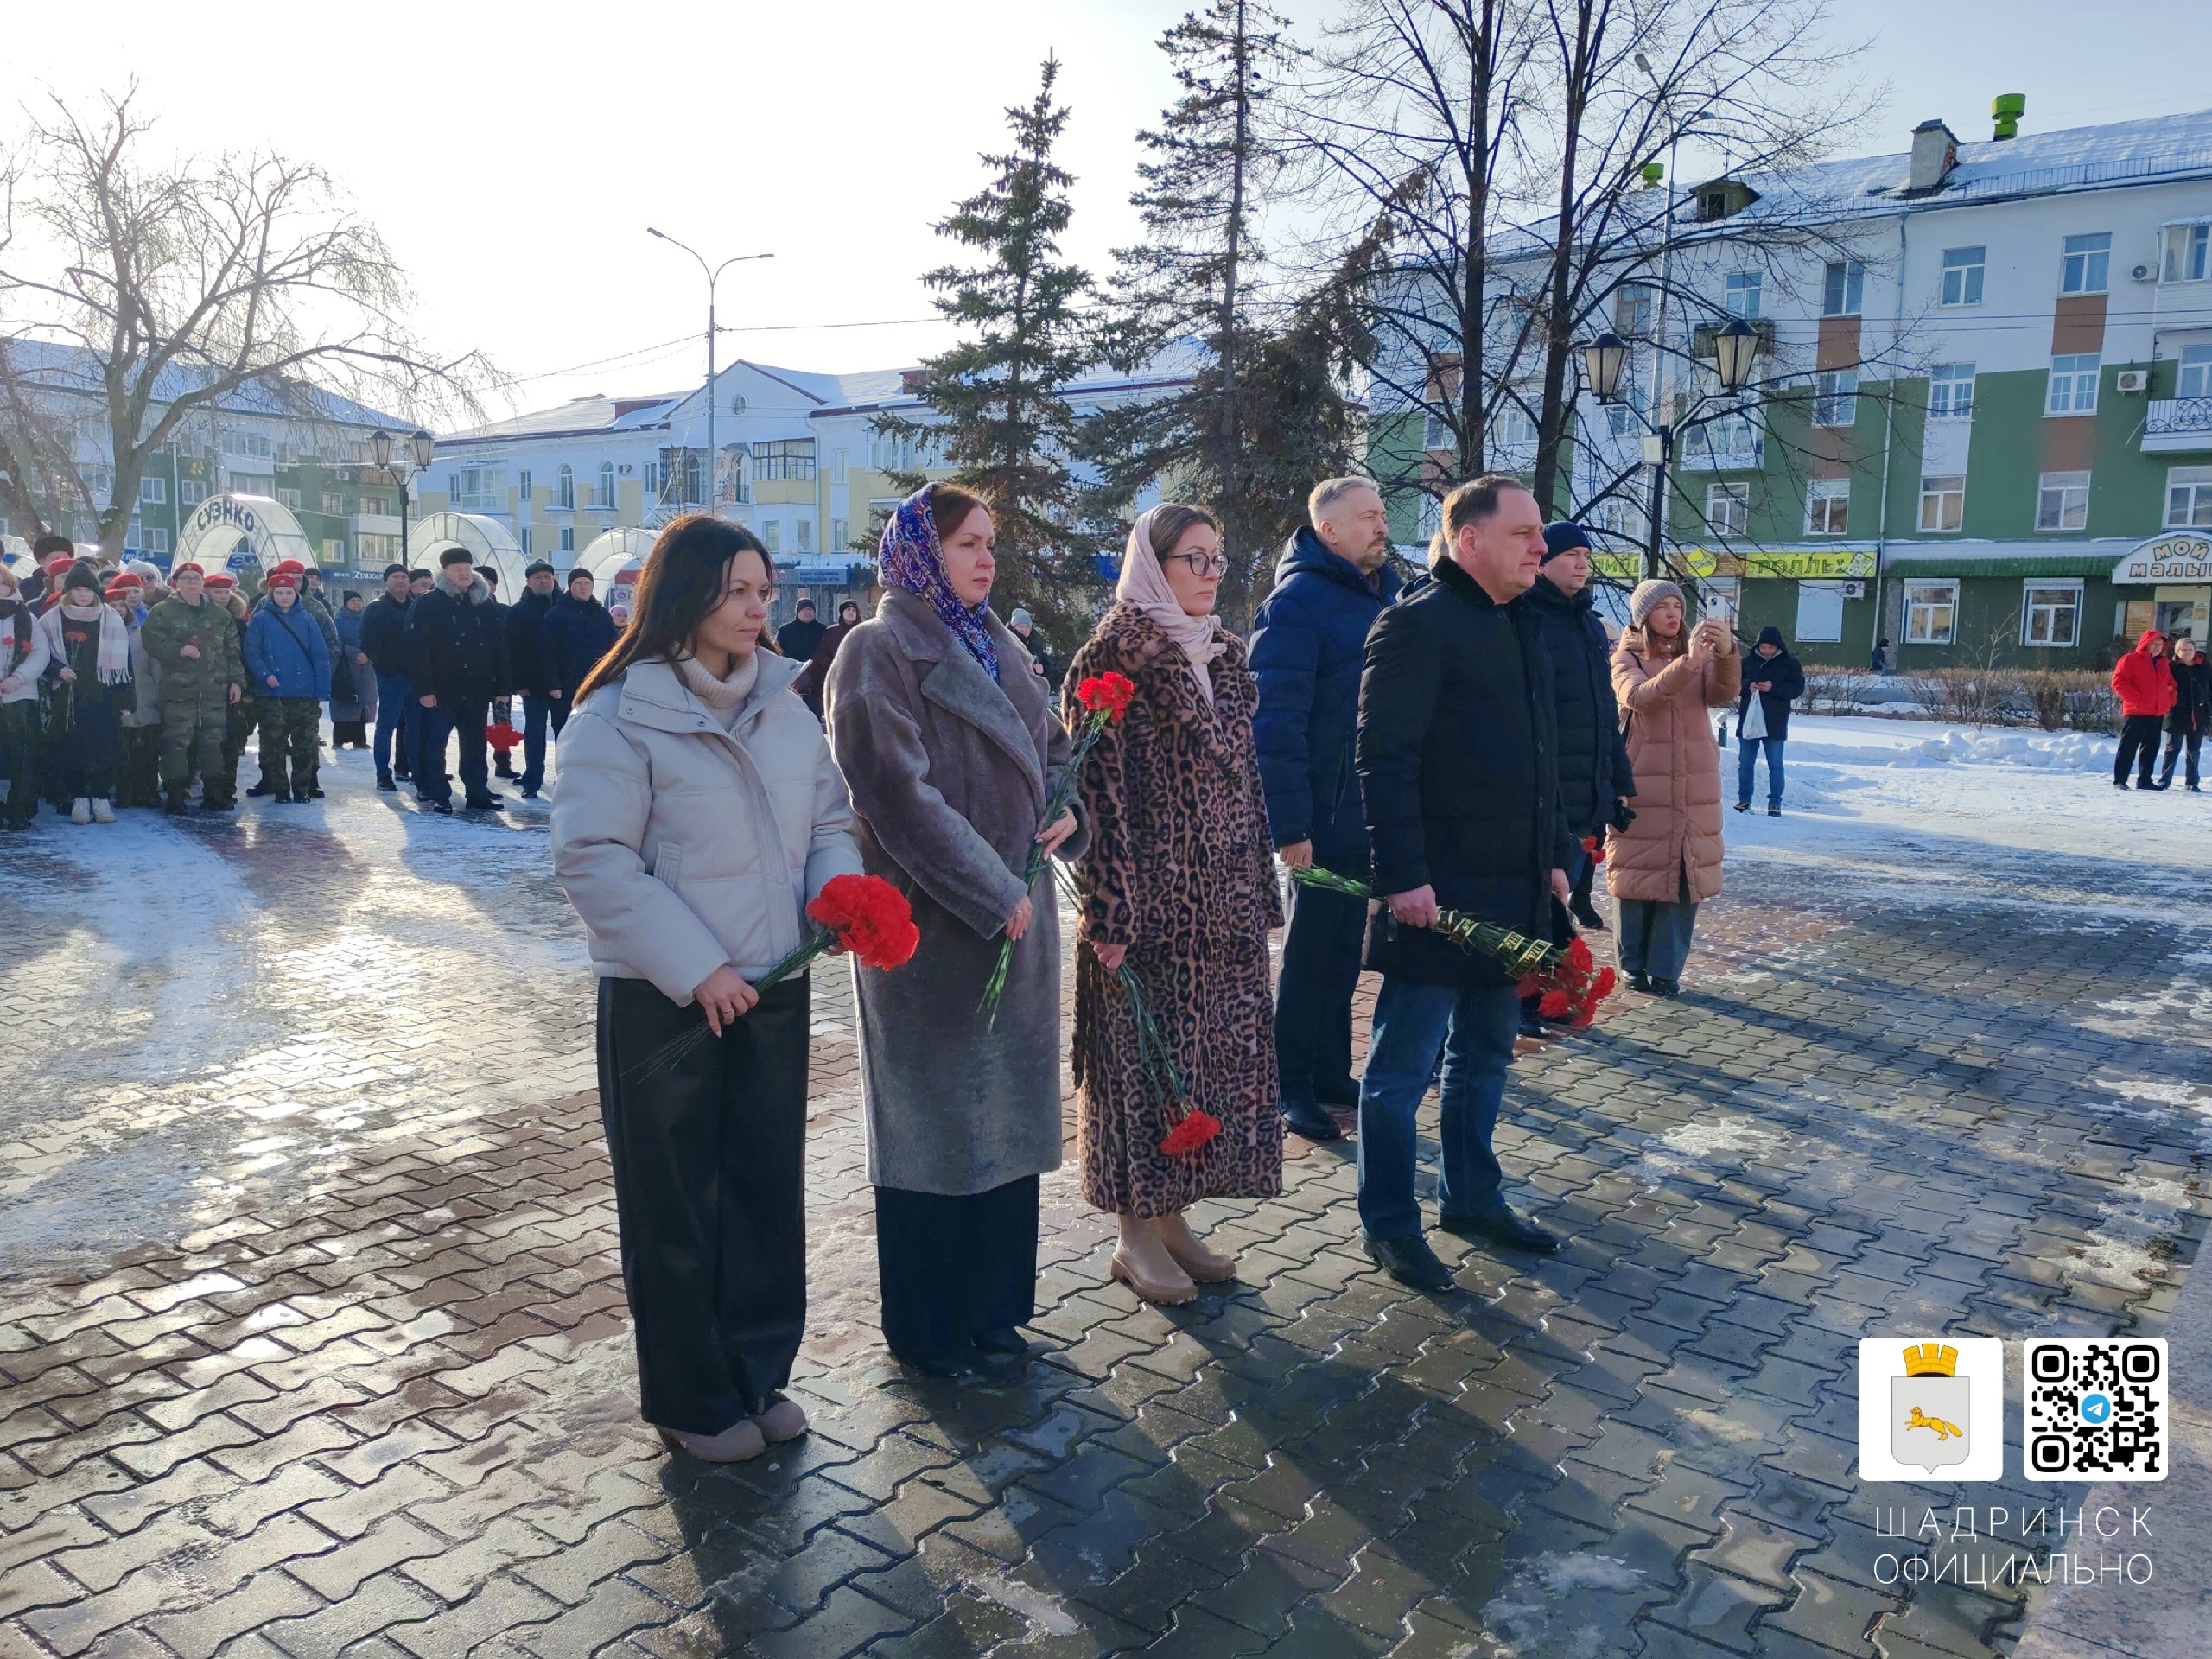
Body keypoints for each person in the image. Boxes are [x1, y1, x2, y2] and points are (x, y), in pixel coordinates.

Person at [551, 516, 861, 1465]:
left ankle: (756, 1375)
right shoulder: (616, 715)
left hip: (770, 982)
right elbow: (593, 860)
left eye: (763, 589)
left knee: (764, 1192)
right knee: (676, 1203)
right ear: (682, 596)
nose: (758, 606)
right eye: (737, 590)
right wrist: (699, 969)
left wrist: (831, 898)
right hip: (666, 998)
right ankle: (691, 1397)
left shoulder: (785, 702)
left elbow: (829, 822)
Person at [826, 485, 1086, 1376]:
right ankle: (928, 1330)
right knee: (934, 1134)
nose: (984, 559)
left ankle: (995, 1311)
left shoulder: (1000, 643)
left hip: (1019, 926)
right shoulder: (876, 649)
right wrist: (989, 889)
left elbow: (1054, 750)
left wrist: (1065, 810)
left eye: (989, 545)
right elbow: (894, 792)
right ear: (917, 553)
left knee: (1005, 1129)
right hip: (933, 930)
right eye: (967, 543)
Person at [1354, 477, 1575, 1293]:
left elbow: (1541, 756)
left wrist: (1553, 854)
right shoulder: (1414, 626)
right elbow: (1385, 760)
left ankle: (1472, 1199)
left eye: (1538, 536)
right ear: (1468, 540)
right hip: (1435, 898)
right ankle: (1390, 1225)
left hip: (1510, 887)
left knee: (1486, 1056)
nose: (1538, 548)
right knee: (1401, 1071)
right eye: (1522, 534)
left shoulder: (1522, 624)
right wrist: (1403, 876)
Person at [1065, 505, 1282, 1306]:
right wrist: (1112, 914)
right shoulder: (1111, 657)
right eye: (1195, 558)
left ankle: (1175, 1220)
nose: (1211, 572)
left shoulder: (1223, 655)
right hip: (1148, 916)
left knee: (1199, 1071)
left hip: (1220, 908)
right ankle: (1132, 1235)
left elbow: (1247, 784)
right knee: (1138, 1073)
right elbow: (1098, 797)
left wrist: (1258, 888)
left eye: (1218, 558)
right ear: (1154, 566)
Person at [1250, 476, 1401, 1141]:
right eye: (1367, 516)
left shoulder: (1386, 595)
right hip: (1321, 812)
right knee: (1311, 952)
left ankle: (1334, 1071)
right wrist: (1291, 825)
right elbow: (1275, 723)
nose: (1380, 526)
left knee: (1345, 949)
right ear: (1329, 529)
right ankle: (1290, 1083)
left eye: (1382, 514)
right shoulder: (1296, 603)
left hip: (1368, 809)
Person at [1520, 522, 1635, 1037]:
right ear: (1542, 561)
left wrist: (1617, 785)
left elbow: (1602, 713)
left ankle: (1547, 998)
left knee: (1558, 905)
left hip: (1585, 790)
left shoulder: (1588, 624)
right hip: (1547, 791)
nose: (1582, 562)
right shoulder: (1529, 617)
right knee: (1539, 902)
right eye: (1570, 554)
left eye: (1587, 554)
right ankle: (1526, 1002)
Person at [1608, 579, 1740, 996]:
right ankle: (1632, 964)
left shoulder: (1697, 657)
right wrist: (1687, 662)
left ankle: (1667, 969)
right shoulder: (1626, 655)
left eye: (1677, 607)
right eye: (1662, 607)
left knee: (1685, 876)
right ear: (1643, 615)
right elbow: (1638, 696)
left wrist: (1726, 653)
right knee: (1637, 874)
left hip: (1693, 785)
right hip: (1644, 783)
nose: (1672, 615)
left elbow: (1723, 692)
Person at [407, 547, 509, 814]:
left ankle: (477, 792)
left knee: (475, 744)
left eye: (467, 568)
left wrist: (502, 688)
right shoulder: (429, 603)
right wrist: (425, 689)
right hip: (442, 689)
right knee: (435, 744)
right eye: (457, 569)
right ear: (445, 573)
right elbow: (419, 649)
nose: (463, 574)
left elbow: (499, 647)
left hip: (477, 688)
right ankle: (438, 793)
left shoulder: (483, 603)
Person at [141, 563, 244, 814]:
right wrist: (178, 651)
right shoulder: (164, 612)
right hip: (179, 690)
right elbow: (151, 641)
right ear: (177, 583)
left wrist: (237, 682)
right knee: (176, 743)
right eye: (186, 578)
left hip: (213, 690)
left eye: (196, 578)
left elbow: (233, 651)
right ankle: (176, 795)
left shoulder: (220, 615)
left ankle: (214, 794)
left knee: (213, 742)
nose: (192, 582)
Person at [35, 565, 133, 824]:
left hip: (104, 693)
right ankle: (78, 797)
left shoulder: (110, 618)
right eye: (77, 589)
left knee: (105, 745)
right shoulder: (52, 619)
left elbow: (125, 663)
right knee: (72, 746)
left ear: (96, 592)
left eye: (87, 590)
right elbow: (39, 654)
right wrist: (57, 669)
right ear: (68, 591)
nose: (82, 595)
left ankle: (100, 797)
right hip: (67, 694)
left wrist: (125, 700)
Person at [243, 569, 332, 805]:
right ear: (272, 594)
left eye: (289, 592)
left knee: (305, 745)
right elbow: (252, 652)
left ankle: (301, 789)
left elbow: (320, 655)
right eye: (279, 592)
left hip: (303, 693)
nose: (284, 597)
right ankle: (281, 789)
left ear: (296, 594)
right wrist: (265, 675)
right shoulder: (261, 619)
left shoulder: (307, 619)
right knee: (274, 745)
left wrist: (322, 690)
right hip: (273, 694)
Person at [1733, 624, 1804, 817]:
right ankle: (1744, 799)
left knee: (1775, 763)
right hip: (1749, 720)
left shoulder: (1790, 664)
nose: (1766, 651)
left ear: (1778, 647)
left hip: (1775, 721)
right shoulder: (1748, 662)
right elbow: (1734, 684)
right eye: (1763, 647)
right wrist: (1749, 685)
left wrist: (1774, 687)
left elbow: (1797, 689)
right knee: (1745, 763)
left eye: (1770, 648)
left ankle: (1775, 802)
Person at [539, 567, 620, 735]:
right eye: (578, 583)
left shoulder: (602, 614)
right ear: (570, 587)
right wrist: (553, 683)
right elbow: (547, 651)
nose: (583, 587)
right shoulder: (556, 614)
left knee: (595, 731)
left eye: (587, 583)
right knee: (566, 731)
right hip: (566, 684)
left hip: (597, 684)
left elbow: (615, 647)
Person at [0, 564, 51, 829]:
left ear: (10, 585)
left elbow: (40, 652)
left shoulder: (25, 618)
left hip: (18, 696)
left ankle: (20, 809)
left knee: (21, 756)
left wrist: (16, 678)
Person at [360, 565, 419, 791]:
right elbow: (369, 643)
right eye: (395, 577)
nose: (401, 581)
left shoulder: (416, 606)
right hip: (391, 677)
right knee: (387, 725)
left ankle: (417, 771)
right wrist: (387, 668)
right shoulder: (376, 608)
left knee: (416, 727)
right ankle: (383, 774)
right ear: (386, 582)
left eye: (404, 577)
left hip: (415, 678)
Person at [507, 560, 562, 798]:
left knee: (565, 733)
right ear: (529, 582)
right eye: (538, 577)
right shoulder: (519, 612)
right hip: (534, 685)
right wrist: (518, 683)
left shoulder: (565, 608)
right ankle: (532, 779)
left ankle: (567, 777)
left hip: (563, 684)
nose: (543, 581)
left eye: (547, 576)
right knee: (534, 733)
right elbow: (512, 650)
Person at [2112, 630, 2176, 790]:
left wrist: (2168, 701)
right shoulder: (2131, 659)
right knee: (2128, 747)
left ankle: (2145, 780)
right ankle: (2120, 780)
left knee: (2151, 749)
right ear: (2146, 644)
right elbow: (2119, 682)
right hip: (2136, 711)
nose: (2157, 647)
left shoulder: (2163, 663)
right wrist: (2137, 699)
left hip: (2157, 712)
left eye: (2160, 644)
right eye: (2154, 643)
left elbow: (2171, 685)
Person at [477, 566, 518, 780]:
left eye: (489, 581)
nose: (485, 584)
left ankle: (503, 762)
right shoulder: (467, 608)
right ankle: (477, 767)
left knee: (502, 722)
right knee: (475, 725)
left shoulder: (504, 611)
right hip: (475, 677)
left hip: (502, 677)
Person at [2157, 635, 2208, 792]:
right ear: (2177, 652)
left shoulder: (2204, 667)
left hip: (2198, 714)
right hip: (2175, 714)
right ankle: (2164, 781)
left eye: (2190, 649)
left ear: (2195, 651)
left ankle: (2192, 782)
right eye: (2183, 649)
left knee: (2194, 751)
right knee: (2172, 749)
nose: (2186, 652)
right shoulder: (2171, 667)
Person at [795, 599, 861, 712]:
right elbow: (823, 653)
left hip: (859, 675)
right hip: (837, 675)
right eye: (848, 609)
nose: (851, 612)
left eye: (854, 610)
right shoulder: (832, 631)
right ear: (842, 612)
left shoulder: (863, 630)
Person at [330, 591, 369, 749]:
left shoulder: (367, 620)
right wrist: (354, 652)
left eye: (359, 600)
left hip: (365, 667)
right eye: (353, 600)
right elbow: (336, 641)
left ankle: (359, 739)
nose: (357, 603)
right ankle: (339, 739)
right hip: (344, 667)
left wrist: (368, 654)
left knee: (361, 704)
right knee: (343, 702)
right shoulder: (338, 621)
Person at [1007, 607, 1059, 688]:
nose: (1024, 629)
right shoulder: (1007, 643)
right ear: (1014, 627)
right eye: (1020, 626)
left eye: (1027, 627)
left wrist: (1043, 669)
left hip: (1033, 690)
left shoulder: (1035, 645)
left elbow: (1048, 667)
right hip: (1012, 689)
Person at [775, 599, 826, 665]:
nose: (807, 612)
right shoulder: (785, 630)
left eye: (810, 609)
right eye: (803, 609)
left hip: (818, 671)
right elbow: (777, 651)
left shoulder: (824, 630)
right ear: (797, 612)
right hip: (792, 670)